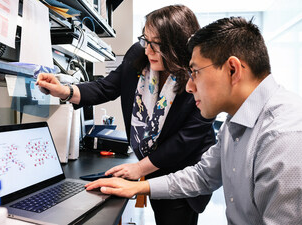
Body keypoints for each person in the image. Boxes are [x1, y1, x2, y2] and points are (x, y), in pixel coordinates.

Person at [85, 17, 302, 224]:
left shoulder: (291, 140)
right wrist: (138, 188)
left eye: (194, 72)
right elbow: (203, 176)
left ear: (232, 70)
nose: (190, 86)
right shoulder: (237, 122)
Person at [37, 5, 216, 225]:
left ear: (176, 46)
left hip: (182, 172)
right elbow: (107, 87)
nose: (147, 50)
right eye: (145, 40)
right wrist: (65, 91)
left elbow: (184, 142)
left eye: (155, 44)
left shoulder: (196, 79)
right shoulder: (139, 54)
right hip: (152, 165)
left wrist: (139, 168)